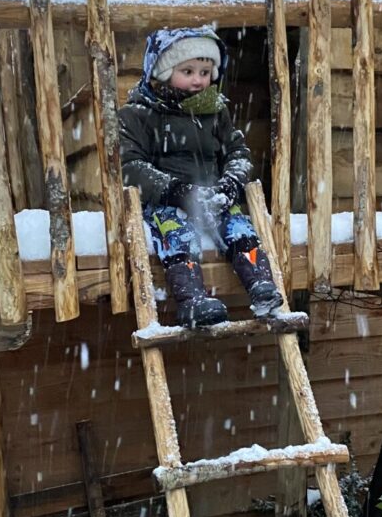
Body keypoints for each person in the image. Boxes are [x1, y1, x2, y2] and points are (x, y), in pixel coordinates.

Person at [119, 26, 284, 328]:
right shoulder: (138, 114)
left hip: (213, 194)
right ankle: (192, 300)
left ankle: (261, 286)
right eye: (188, 70)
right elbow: (130, 165)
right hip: (167, 198)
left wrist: (232, 182)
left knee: (238, 227)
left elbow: (238, 151)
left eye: (205, 71)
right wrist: (175, 190)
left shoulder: (215, 111)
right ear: (164, 71)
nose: (199, 79)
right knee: (178, 233)